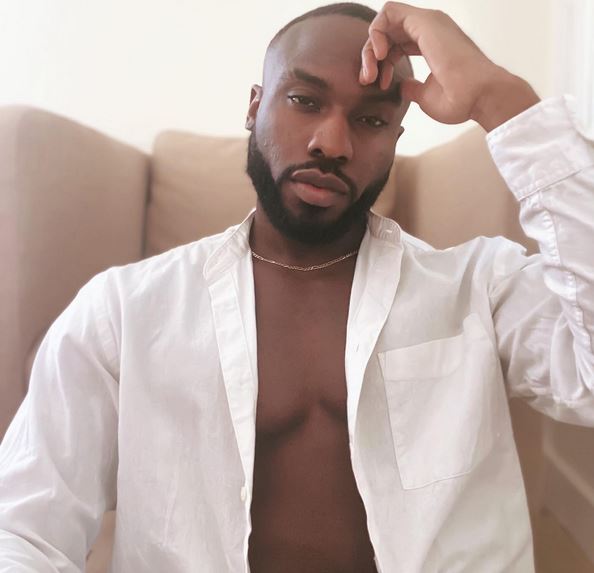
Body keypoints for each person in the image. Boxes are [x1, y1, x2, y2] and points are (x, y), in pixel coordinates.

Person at [0, 2, 593, 572]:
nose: (332, 143)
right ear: (254, 107)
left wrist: (497, 97)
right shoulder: (124, 313)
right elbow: (24, 529)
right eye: (305, 101)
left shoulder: (477, 289)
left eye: (371, 119)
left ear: (396, 137)